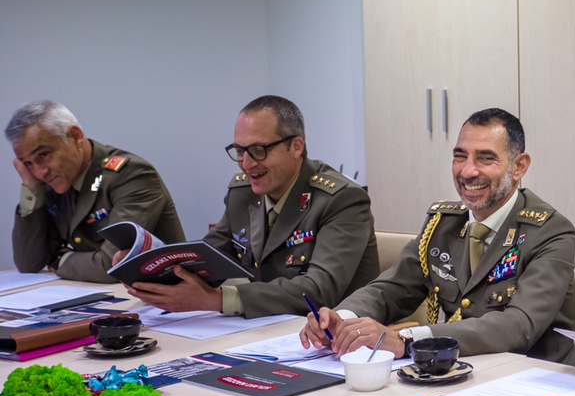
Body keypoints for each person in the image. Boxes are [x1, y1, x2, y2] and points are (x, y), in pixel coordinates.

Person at [300, 108, 575, 364]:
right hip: (461, 371)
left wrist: (408, 340)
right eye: (460, 156)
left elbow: (518, 326)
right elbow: (390, 290)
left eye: (486, 158)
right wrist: (342, 320)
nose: (467, 171)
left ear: (519, 166)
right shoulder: (443, 224)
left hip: (533, 379)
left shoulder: (550, 232)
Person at [121, 95, 378, 317]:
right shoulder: (243, 194)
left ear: (296, 147)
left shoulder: (341, 199)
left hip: (335, 338)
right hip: (267, 329)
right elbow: (207, 260)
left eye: (258, 150)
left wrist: (217, 300)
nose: (246, 164)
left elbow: (319, 290)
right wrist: (147, 272)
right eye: (239, 151)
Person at [8, 100, 185, 283]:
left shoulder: (131, 174)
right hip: (95, 291)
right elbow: (28, 263)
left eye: (43, 155)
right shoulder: (52, 181)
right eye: (28, 163)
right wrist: (32, 188)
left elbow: (112, 267)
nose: (39, 172)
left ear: (75, 136)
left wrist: (59, 260)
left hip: (160, 292)